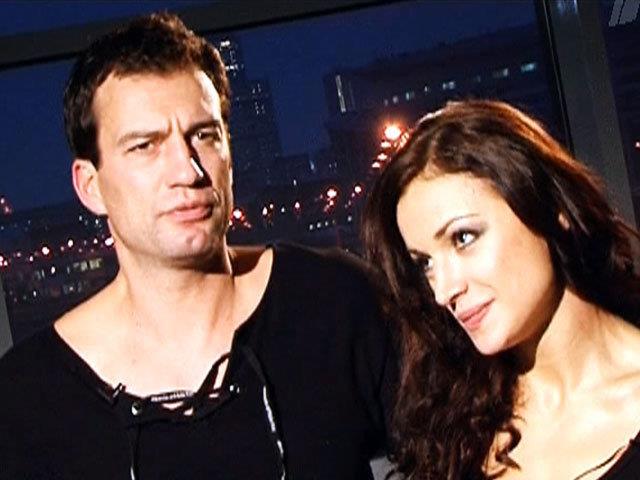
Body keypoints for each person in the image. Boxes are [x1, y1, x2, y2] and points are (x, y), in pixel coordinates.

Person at [0, 13, 396, 480]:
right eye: (145, 146)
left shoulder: (334, 301)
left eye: (204, 136)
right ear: (90, 186)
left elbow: (454, 444)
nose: (187, 171)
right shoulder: (26, 397)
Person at [363, 99, 640, 479]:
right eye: (425, 264)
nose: (443, 292)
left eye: (463, 238)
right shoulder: (455, 431)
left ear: (550, 205)